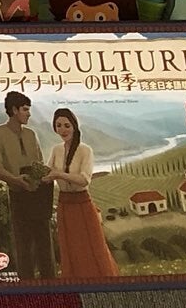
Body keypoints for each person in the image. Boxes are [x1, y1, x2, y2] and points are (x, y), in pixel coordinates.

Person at [0, 90, 54, 283]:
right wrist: (17, 180)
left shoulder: (31, 134)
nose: (29, 114)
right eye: (25, 109)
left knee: (45, 243)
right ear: (14, 110)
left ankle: (51, 284)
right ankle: (27, 287)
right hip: (18, 195)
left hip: (39, 195)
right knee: (23, 246)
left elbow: (39, 164)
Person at [47, 108, 118, 282]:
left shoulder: (85, 150)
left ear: (74, 126)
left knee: (92, 246)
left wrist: (59, 174)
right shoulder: (56, 150)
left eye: (66, 125)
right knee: (69, 247)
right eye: (58, 125)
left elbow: (84, 180)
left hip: (82, 204)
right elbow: (48, 173)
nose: (62, 129)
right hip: (64, 204)